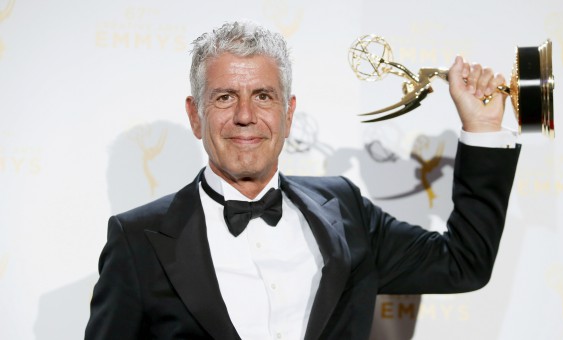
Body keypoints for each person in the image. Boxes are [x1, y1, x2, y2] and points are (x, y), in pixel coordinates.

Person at [85, 21, 520, 340]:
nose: (244, 116)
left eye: (263, 96)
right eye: (224, 97)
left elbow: (465, 263)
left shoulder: (344, 208)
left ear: (288, 114)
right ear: (195, 115)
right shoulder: (136, 240)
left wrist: (482, 130)